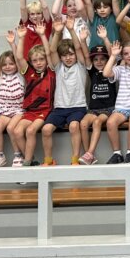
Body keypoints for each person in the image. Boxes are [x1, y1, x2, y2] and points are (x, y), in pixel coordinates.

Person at [39, 18, 90, 166]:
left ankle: (75, 159)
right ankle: (49, 160)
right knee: (46, 129)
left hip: (77, 107)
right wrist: (57, 32)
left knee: (74, 126)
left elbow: (79, 49)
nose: (68, 58)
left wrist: (72, 30)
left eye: (70, 54)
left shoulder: (80, 66)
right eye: (65, 55)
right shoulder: (59, 67)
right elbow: (52, 50)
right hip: (60, 108)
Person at [11, 25, 56, 168]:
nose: (39, 63)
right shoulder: (28, 72)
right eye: (35, 60)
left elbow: (49, 53)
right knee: (17, 131)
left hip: (44, 111)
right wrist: (21, 37)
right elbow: (18, 57)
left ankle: (26, 164)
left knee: (30, 131)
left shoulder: (51, 72)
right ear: (31, 62)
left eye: (41, 59)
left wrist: (43, 35)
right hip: (30, 111)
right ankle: (32, 160)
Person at [102, 40, 130, 164]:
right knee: (110, 122)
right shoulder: (120, 69)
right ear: (122, 56)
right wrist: (113, 55)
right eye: (126, 54)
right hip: (122, 107)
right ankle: (117, 154)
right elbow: (106, 73)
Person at [0, 29, 24, 169]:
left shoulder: (20, 75)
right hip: (5, 111)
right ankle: (0, 155)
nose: (7, 67)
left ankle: (18, 155)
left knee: (10, 128)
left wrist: (12, 43)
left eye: (10, 64)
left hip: (19, 110)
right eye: (5, 65)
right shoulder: (1, 76)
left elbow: (19, 59)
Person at [78, 41, 117, 165]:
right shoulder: (92, 71)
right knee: (83, 123)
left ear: (107, 60)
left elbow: (112, 56)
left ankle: (90, 152)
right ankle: (88, 154)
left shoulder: (111, 71)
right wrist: (83, 41)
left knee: (97, 122)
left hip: (108, 108)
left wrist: (105, 38)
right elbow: (85, 55)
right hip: (93, 108)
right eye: (96, 59)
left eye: (102, 59)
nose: (99, 62)